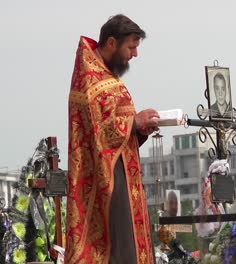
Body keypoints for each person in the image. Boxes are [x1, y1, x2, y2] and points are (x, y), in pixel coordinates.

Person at [66, 14, 158, 264]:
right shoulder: (90, 80)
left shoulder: (106, 75)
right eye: (131, 47)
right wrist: (133, 122)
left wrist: (139, 130)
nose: (135, 55)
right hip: (104, 180)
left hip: (123, 172)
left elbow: (114, 129)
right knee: (118, 247)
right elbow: (98, 129)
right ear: (110, 43)